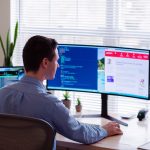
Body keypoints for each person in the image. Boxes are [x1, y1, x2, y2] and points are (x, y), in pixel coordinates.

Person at [0, 35, 123, 149]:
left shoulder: (2, 94)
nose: (58, 65)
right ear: (45, 63)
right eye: (56, 60)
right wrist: (105, 130)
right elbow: (81, 133)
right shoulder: (49, 103)